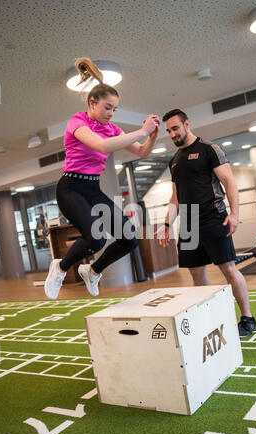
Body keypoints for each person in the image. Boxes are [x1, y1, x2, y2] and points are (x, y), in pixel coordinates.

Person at [45, 57, 159, 299]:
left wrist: (151, 136)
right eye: (108, 107)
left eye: (114, 109)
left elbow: (141, 151)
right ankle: (60, 267)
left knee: (129, 239)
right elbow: (102, 146)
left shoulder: (112, 128)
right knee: (95, 239)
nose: (111, 113)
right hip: (71, 188)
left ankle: (93, 270)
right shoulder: (77, 121)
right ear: (92, 102)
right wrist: (141, 131)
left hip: (93, 189)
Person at [156, 109, 256, 338]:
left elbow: (229, 181)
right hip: (188, 222)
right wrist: (166, 224)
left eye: (175, 128)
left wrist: (233, 213)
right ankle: (209, 316)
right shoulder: (174, 161)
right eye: (169, 131)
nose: (172, 134)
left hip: (213, 216)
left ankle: (248, 319)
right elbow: (175, 197)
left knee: (228, 268)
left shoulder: (209, 149)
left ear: (186, 124)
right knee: (196, 272)